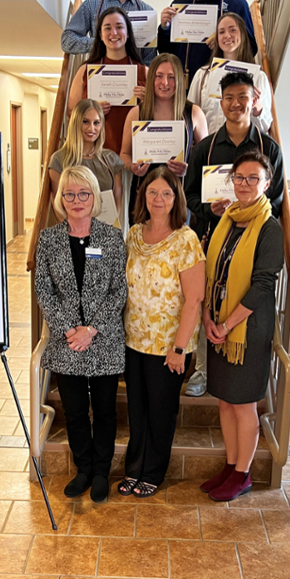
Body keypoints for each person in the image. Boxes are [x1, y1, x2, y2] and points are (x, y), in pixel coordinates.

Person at [184, 71, 285, 397]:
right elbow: (188, 198)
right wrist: (210, 211)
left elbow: (278, 197)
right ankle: (202, 370)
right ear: (221, 102)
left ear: (254, 100)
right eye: (229, 98)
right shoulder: (205, 149)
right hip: (213, 239)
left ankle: (240, 369)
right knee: (208, 302)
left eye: (242, 97)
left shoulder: (269, 148)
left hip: (252, 243)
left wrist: (248, 206)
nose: (236, 103)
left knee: (241, 303)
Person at [35, 166, 127, 503]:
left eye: (84, 194)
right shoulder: (48, 239)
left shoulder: (112, 238)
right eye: (70, 194)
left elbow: (119, 291)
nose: (77, 200)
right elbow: (43, 290)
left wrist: (91, 330)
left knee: (104, 410)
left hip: (103, 341)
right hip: (66, 343)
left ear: (94, 198)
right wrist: (69, 330)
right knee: (74, 411)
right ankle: (83, 468)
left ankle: (102, 471)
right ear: (61, 199)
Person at [200, 150, 284, 501]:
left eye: (253, 178)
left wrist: (228, 322)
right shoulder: (227, 219)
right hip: (218, 323)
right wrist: (208, 317)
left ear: (266, 184)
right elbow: (208, 270)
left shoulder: (269, 227)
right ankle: (230, 464)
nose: (245, 184)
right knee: (224, 402)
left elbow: (264, 284)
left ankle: (243, 473)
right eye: (239, 177)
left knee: (244, 404)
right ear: (231, 181)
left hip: (247, 329)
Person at [118, 167, 205, 498]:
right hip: (133, 341)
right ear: (143, 196)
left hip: (168, 345)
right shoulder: (134, 235)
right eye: (152, 192)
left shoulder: (185, 239)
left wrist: (179, 348)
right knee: (137, 411)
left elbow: (194, 299)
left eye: (166, 193)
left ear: (176, 198)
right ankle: (134, 469)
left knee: (161, 411)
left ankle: (152, 471)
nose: (158, 199)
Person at [120, 53, 208, 223]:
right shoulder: (137, 113)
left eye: (171, 77)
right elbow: (124, 154)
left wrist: (188, 169)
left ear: (180, 81)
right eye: (159, 76)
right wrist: (132, 167)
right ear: (152, 78)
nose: (164, 83)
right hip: (143, 197)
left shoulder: (193, 113)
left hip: (180, 197)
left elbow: (206, 160)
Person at [158, 0, 256, 90]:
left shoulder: (238, 5)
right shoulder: (179, 5)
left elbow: (251, 49)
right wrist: (164, 28)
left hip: (224, 88)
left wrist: (226, 40)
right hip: (185, 87)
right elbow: (166, 52)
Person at [68, 6, 148, 155]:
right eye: (107, 28)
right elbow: (71, 113)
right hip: (94, 156)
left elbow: (157, 116)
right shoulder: (85, 71)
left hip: (133, 157)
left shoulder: (144, 72)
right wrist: (91, 110)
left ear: (128, 33)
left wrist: (148, 102)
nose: (114, 33)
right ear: (100, 34)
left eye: (119, 27)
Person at [188, 12, 272, 135]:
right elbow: (190, 116)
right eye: (221, 32)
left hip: (244, 151)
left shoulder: (258, 77)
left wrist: (257, 109)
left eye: (232, 30)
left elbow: (264, 127)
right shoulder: (202, 75)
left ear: (242, 34)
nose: (227, 35)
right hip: (210, 149)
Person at [49, 99, 123, 219]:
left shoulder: (112, 159)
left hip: (105, 231)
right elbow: (58, 207)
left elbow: (117, 205)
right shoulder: (59, 160)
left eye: (96, 123)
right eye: (85, 122)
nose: (91, 128)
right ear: (75, 123)